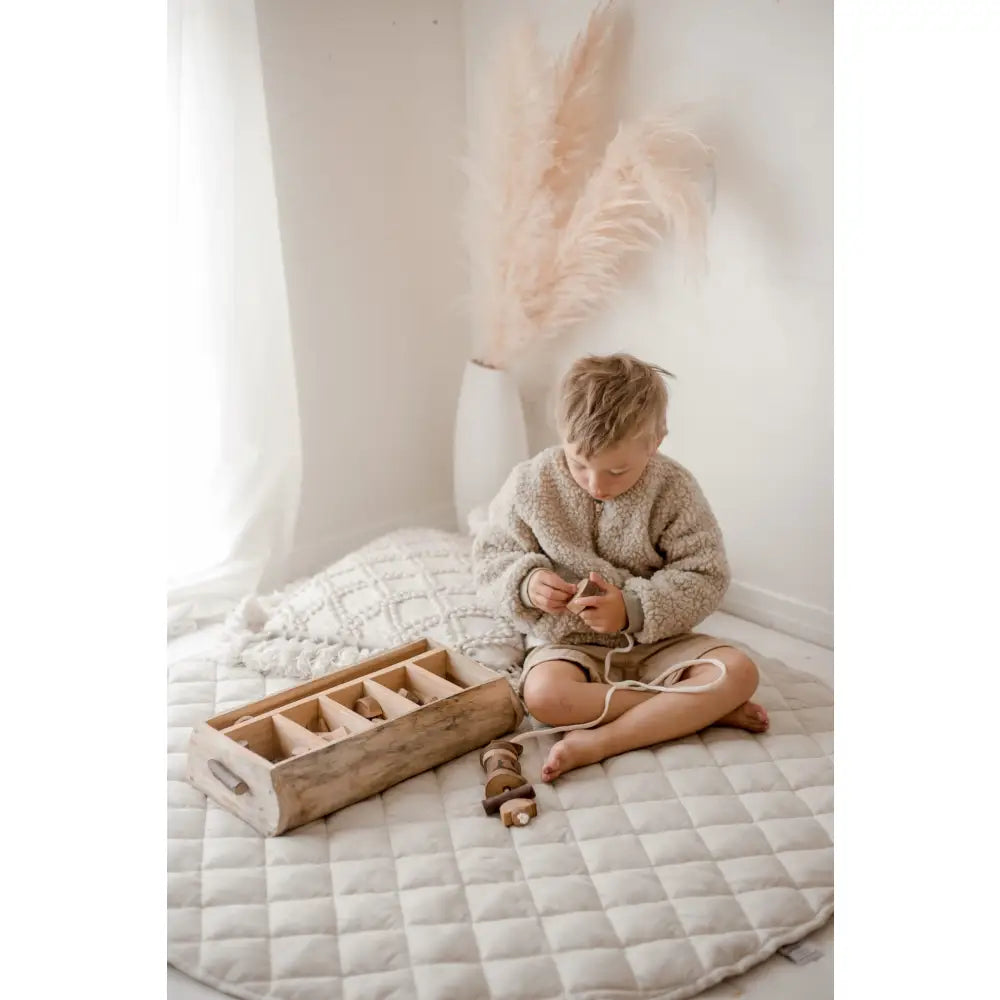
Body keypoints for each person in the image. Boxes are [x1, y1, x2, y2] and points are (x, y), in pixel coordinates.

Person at [473, 353, 769, 781]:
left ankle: (602, 740)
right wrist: (527, 582)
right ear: (562, 433)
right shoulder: (530, 483)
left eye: (617, 470)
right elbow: (491, 557)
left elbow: (705, 573)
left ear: (656, 441)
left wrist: (633, 608)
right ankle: (693, 708)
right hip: (571, 646)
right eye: (579, 464)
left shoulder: (674, 490)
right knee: (541, 696)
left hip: (658, 640)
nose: (596, 484)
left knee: (739, 671)